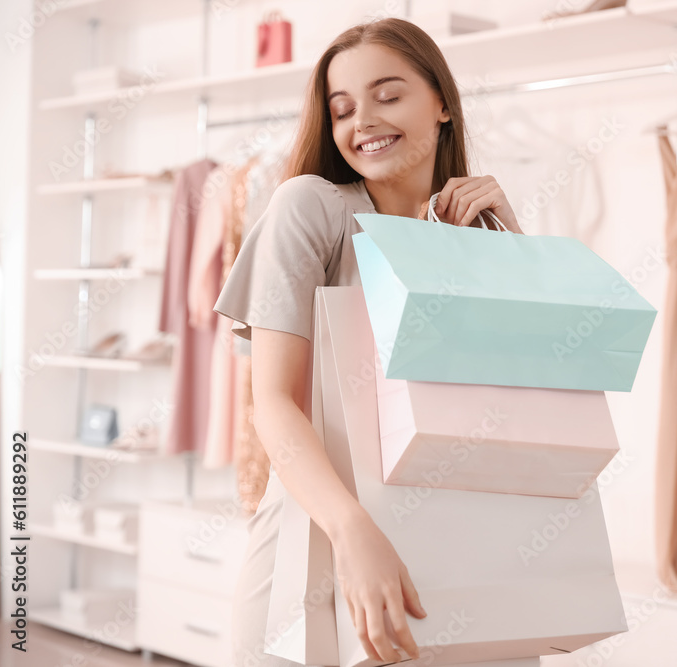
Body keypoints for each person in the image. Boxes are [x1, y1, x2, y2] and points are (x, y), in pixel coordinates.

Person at [214, 17, 523, 666]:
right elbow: (273, 402)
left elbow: (529, 400)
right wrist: (354, 530)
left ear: (441, 102)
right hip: (323, 536)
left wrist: (512, 243)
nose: (364, 122)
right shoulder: (312, 207)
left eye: (388, 95)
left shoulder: (480, 233)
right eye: (343, 108)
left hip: (465, 543)